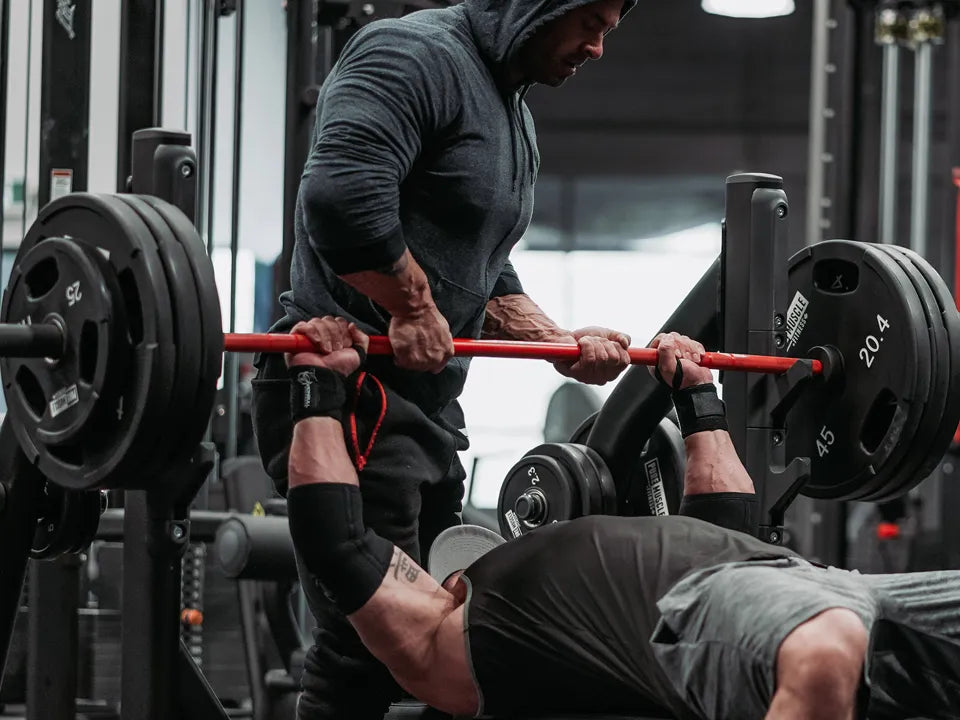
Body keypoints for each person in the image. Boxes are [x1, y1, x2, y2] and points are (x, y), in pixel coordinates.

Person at [253, 1, 638, 717]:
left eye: (609, 29)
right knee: (366, 651)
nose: (596, 46)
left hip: (424, 407)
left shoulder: (511, 109)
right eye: (588, 20)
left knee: (458, 638)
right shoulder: (411, 55)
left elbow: (483, 267)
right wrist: (411, 307)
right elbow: (340, 199)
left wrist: (557, 343)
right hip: (345, 391)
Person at [283, 316, 960, 720]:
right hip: (703, 618)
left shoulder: (639, 556)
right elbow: (338, 541)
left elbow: (724, 516)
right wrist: (317, 387)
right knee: (821, 654)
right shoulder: (444, 645)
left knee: (832, 636)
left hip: (806, 583)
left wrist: (697, 398)